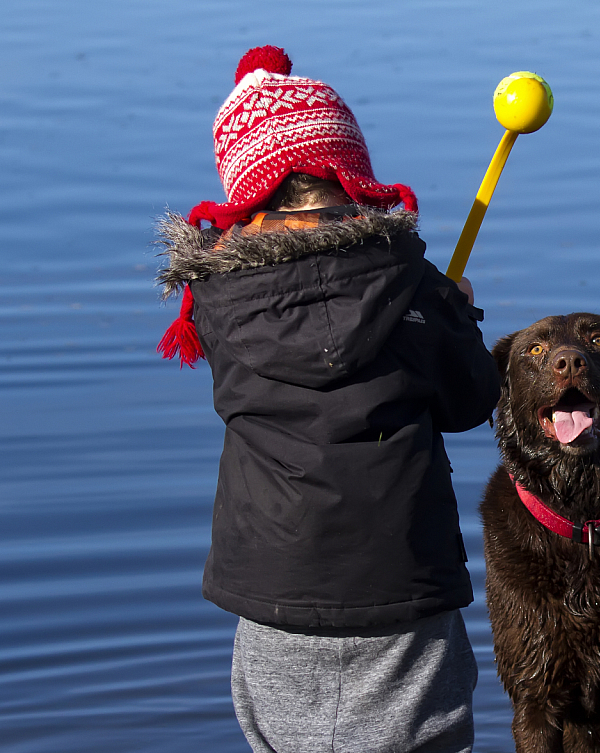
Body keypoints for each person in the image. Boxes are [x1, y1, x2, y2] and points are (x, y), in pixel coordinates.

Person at [156, 45, 500, 753]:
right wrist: (457, 316)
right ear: (354, 172)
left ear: (246, 194)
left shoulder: (218, 302)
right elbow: (471, 402)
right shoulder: (415, 286)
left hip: (272, 591)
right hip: (403, 582)